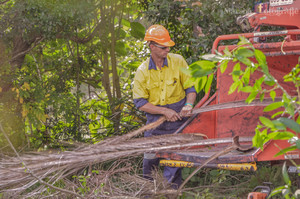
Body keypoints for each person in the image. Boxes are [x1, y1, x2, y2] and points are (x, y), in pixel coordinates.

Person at [132, 24, 197, 188]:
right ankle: (148, 192)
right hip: (155, 123)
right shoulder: (142, 71)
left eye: (168, 46)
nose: (167, 49)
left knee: (174, 163)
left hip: (177, 121)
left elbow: (191, 88)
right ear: (152, 47)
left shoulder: (178, 61)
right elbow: (140, 103)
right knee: (149, 161)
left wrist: (189, 104)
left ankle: (170, 193)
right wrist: (164, 111)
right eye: (163, 47)